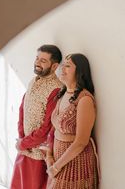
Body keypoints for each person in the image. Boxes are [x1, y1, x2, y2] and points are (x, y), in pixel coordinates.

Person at [10, 44, 63, 189]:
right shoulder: (33, 81)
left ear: (54, 66)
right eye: (37, 58)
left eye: (43, 61)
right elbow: (23, 108)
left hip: (38, 156)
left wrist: (23, 143)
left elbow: (47, 128)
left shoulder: (56, 89)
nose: (37, 63)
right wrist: (21, 139)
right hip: (24, 149)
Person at [46, 53, 99, 188]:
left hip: (76, 162)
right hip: (58, 161)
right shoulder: (62, 94)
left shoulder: (84, 99)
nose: (62, 68)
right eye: (62, 65)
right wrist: (49, 155)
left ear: (79, 71)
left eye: (67, 65)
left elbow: (81, 142)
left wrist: (56, 167)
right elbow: (54, 129)